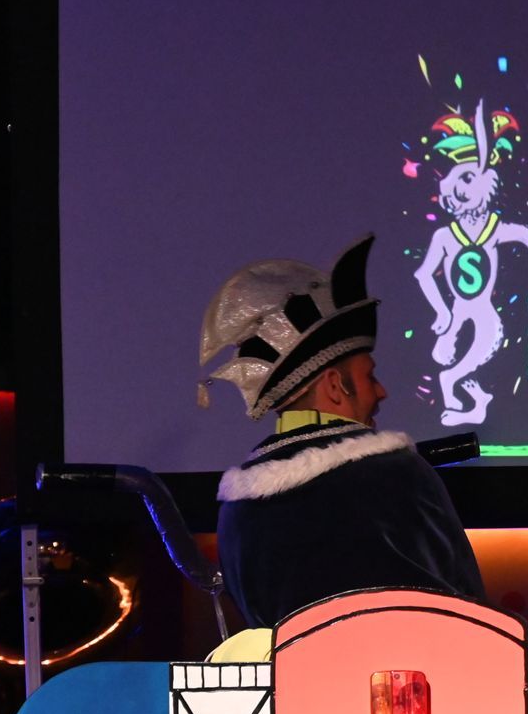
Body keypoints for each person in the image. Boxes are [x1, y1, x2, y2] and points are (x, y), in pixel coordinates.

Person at [198, 232, 487, 630]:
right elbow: (469, 612)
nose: (381, 392)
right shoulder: (398, 475)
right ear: (335, 386)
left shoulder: (237, 509)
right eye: (370, 377)